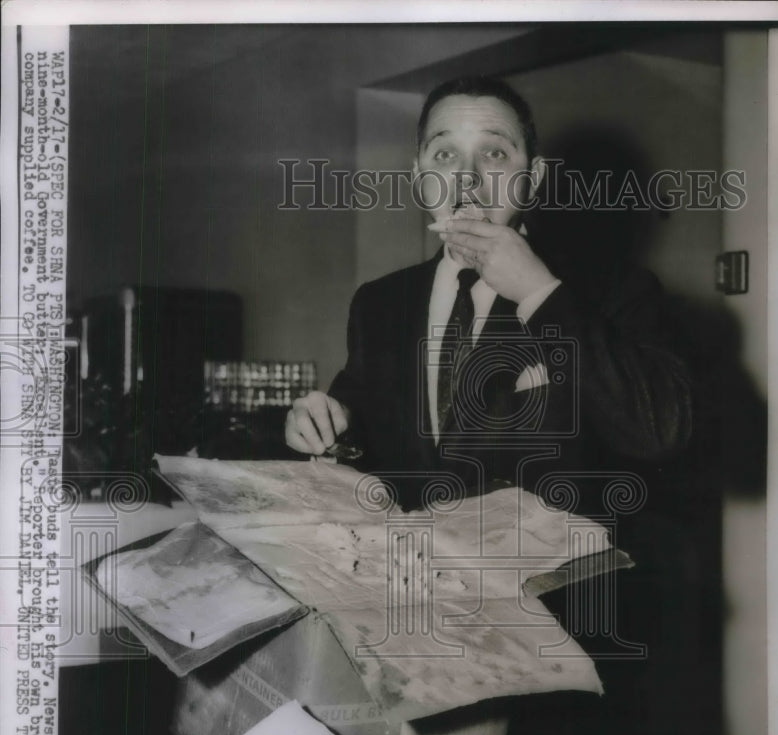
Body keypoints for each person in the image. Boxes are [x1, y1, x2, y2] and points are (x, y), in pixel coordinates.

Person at [285, 75, 692, 516]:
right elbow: (366, 437)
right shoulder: (380, 302)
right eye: (444, 155)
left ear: (532, 178)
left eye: (494, 153)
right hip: (411, 573)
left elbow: (661, 432)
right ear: (419, 176)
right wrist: (330, 428)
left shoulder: (613, 290)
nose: (466, 177)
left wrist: (540, 292)